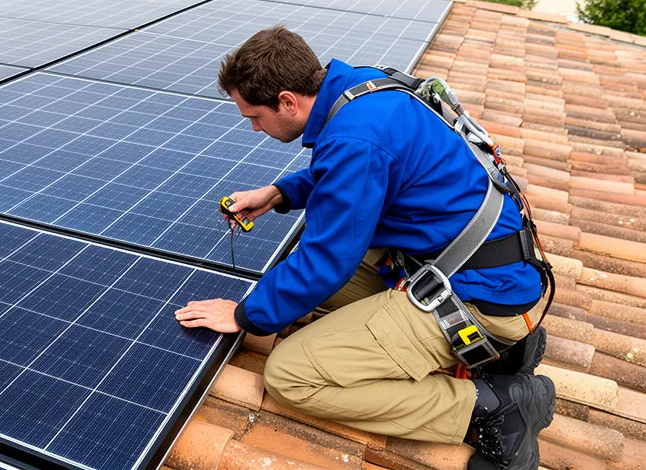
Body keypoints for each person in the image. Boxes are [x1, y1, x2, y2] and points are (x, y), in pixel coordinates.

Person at [174, 26, 555, 470]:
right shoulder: (362, 88)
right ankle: (509, 352)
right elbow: (367, 170)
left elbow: (325, 260)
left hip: (479, 297)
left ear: (287, 101)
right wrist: (280, 193)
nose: (255, 128)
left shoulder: (355, 139)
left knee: (290, 374)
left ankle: (491, 407)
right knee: (297, 289)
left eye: (255, 116)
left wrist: (243, 316)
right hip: (481, 262)